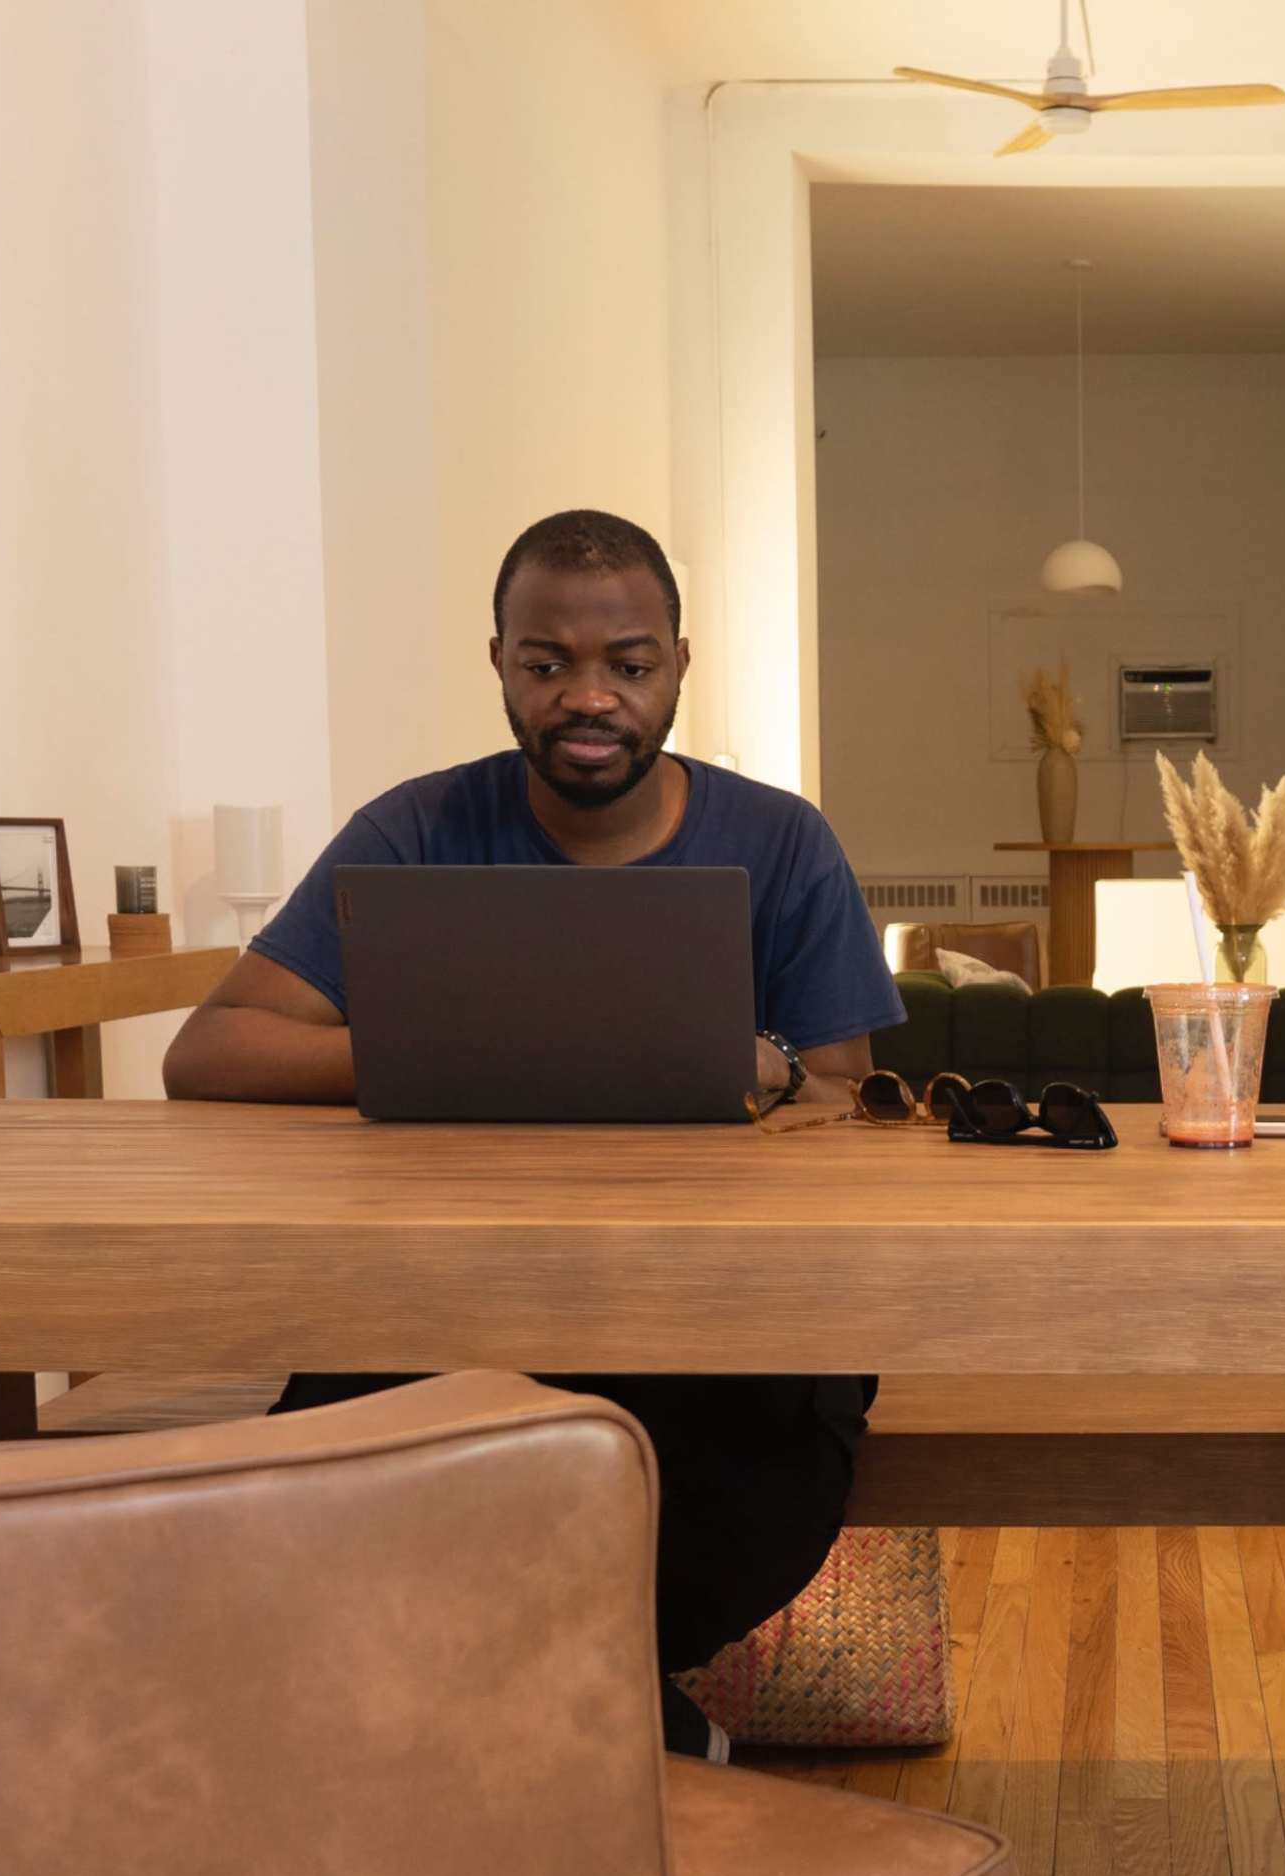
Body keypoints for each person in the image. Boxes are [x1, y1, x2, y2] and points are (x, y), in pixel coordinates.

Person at [164, 507, 901, 1752]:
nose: (588, 697)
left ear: (678, 665)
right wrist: (470, 1055)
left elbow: (843, 1093)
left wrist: (761, 1068)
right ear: (499, 663)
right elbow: (210, 1052)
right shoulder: (416, 831)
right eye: (546, 663)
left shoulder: (780, 845)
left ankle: (557, 1717)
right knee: (328, 1491)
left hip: (717, 1311)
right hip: (453, 1292)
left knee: (712, 1499)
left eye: (628, 663)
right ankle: (607, 1728)